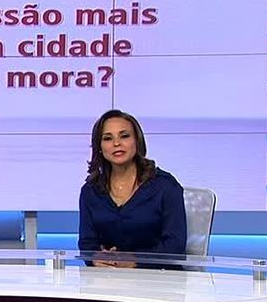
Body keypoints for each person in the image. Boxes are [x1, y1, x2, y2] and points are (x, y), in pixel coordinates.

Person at [78, 109, 187, 268]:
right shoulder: (90, 191)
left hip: (159, 277)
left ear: (137, 141)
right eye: (108, 138)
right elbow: (87, 243)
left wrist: (136, 260)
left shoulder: (165, 186)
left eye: (124, 136)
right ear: (99, 147)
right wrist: (96, 258)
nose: (116, 143)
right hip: (109, 277)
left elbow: (175, 245)